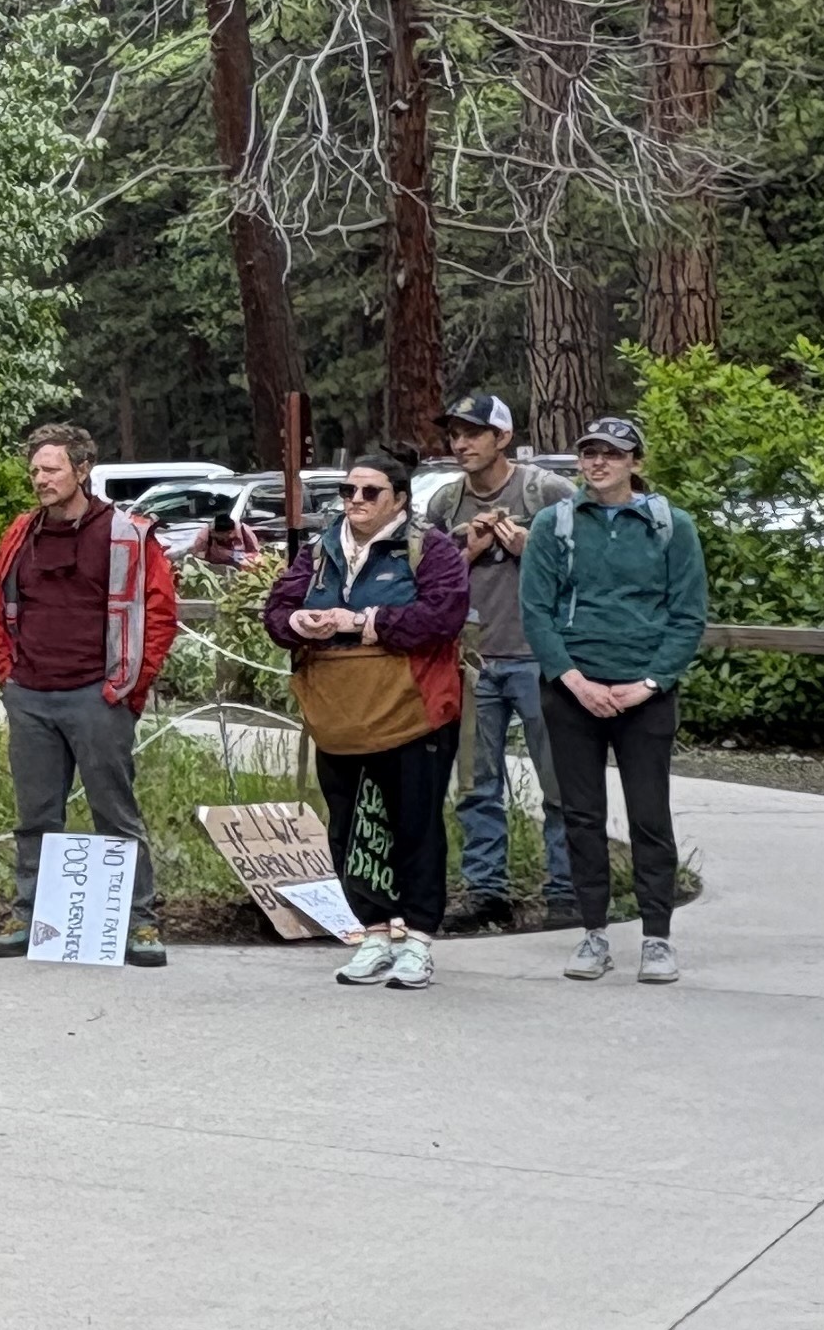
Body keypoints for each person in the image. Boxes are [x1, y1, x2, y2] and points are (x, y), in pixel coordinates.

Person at [264, 447, 472, 989]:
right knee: (352, 827)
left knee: (415, 824)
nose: (355, 501)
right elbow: (276, 611)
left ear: (399, 499)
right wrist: (299, 622)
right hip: (340, 717)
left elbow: (442, 616)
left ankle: (419, 941)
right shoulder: (319, 551)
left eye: (370, 492)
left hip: (413, 713)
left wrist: (361, 621)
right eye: (347, 491)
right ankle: (374, 933)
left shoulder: (432, 549)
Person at [0, 422, 180, 967]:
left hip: (100, 695)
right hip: (31, 695)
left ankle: (140, 922)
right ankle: (29, 914)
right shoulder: (21, 532)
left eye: (51, 469)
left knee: (114, 813)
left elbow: (159, 612)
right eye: (35, 469)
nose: (39, 479)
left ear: (83, 471)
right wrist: (8, 674)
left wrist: (130, 687)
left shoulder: (128, 534)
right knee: (35, 815)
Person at [520, 413, 708, 985]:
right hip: (573, 690)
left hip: (644, 692)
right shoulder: (555, 525)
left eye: (612, 453)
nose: (598, 462)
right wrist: (574, 680)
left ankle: (657, 937)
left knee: (650, 815)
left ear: (635, 463)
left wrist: (651, 682)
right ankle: (594, 933)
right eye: (590, 452)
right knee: (581, 815)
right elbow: (537, 611)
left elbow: (687, 614)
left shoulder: (671, 526)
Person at [423, 394, 576, 933]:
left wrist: (529, 547)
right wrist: (467, 551)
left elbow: (586, 566)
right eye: (454, 434)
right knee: (476, 786)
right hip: (474, 664)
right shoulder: (445, 503)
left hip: (540, 659)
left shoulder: (548, 492)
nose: (460, 444)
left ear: (502, 438)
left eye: (473, 433)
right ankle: (487, 893)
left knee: (559, 782)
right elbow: (429, 583)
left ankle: (566, 892)